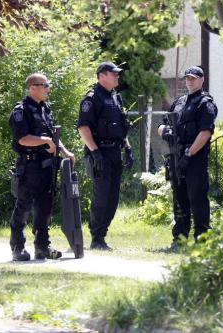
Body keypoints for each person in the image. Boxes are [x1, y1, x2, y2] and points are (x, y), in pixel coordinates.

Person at [8, 73, 75, 261]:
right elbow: (23, 138)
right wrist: (45, 141)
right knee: (24, 206)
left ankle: (42, 247)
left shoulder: (45, 108)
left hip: (47, 165)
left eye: (47, 85)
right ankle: (18, 247)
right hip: (29, 166)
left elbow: (53, 137)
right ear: (32, 88)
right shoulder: (21, 111)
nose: (47, 89)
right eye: (44, 85)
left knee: (45, 207)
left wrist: (65, 152)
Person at [158, 66, 217, 249]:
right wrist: (164, 132)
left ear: (202, 80)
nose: (189, 81)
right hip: (176, 156)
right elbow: (162, 125)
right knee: (179, 198)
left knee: (197, 198)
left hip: (195, 158)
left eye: (193, 78)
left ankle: (202, 239)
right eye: (187, 78)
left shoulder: (205, 103)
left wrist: (189, 153)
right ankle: (180, 239)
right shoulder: (179, 102)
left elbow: (205, 132)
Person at [77, 62, 133, 251]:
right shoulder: (92, 99)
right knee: (101, 196)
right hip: (100, 153)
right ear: (102, 76)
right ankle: (96, 237)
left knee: (113, 197)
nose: (117, 76)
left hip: (115, 152)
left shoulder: (116, 98)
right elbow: (83, 128)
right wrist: (95, 152)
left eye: (118, 73)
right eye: (113, 73)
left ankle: (102, 234)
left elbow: (121, 126)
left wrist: (128, 147)